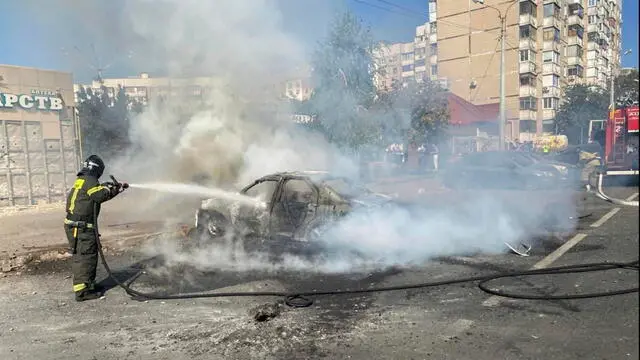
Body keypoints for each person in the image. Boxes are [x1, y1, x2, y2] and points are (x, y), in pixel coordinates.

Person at [63, 155, 126, 301]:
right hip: (82, 227)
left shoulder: (83, 180)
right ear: (97, 169)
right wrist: (110, 188)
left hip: (79, 226)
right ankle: (82, 292)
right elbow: (100, 195)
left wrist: (115, 189)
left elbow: (98, 194)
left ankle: (89, 285)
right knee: (84, 257)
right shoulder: (90, 181)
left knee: (89, 256)